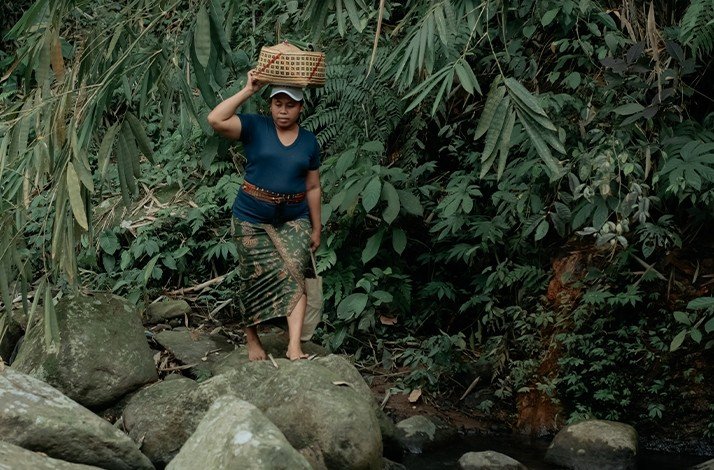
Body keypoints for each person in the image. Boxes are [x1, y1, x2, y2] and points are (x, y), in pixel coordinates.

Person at [207, 71, 321, 361]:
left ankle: (294, 345)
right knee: (251, 278)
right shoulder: (255, 127)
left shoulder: (309, 142)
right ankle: (252, 338)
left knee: (296, 273)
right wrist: (247, 90)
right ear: (269, 104)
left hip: (294, 219)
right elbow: (215, 120)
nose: (283, 110)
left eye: (290, 105)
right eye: (277, 103)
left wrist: (317, 228)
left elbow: (313, 186)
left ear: (300, 107)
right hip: (251, 218)